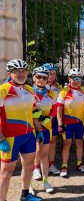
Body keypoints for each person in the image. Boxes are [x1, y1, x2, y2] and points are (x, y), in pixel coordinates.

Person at [0, 59, 43, 201]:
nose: (21, 73)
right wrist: (1, 139)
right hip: (10, 138)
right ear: (9, 73)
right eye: (17, 71)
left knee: (29, 165)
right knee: (6, 171)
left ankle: (25, 195)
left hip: (28, 135)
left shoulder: (29, 90)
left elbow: (35, 112)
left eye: (24, 71)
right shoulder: (3, 90)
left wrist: (39, 130)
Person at [56, 68, 84, 177]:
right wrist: (60, 122)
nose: (76, 80)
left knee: (79, 143)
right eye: (73, 78)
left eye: (78, 78)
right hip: (67, 123)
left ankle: (79, 164)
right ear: (69, 79)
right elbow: (59, 109)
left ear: (81, 79)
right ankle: (64, 166)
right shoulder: (63, 91)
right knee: (67, 143)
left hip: (80, 122)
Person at [31, 67, 56, 193]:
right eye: (39, 77)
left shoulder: (52, 93)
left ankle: (46, 182)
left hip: (46, 127)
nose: (41, 80)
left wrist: (49, 118)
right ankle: (29, 185)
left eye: (44, 77)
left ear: (47, 80)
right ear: (34, 77)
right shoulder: (28, 92)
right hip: (30, 128)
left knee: (44, 155)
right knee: (29, 156)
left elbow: (55, 109)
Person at [42, 63, 62, 176]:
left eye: (54, 74)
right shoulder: (37, 86)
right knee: (39, 143)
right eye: (49, 74)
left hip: (53, 118)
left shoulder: (57, 88)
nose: (52, 76)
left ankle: (51, 164)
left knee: (53, 141)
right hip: (40, 118)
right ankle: (36, 167)